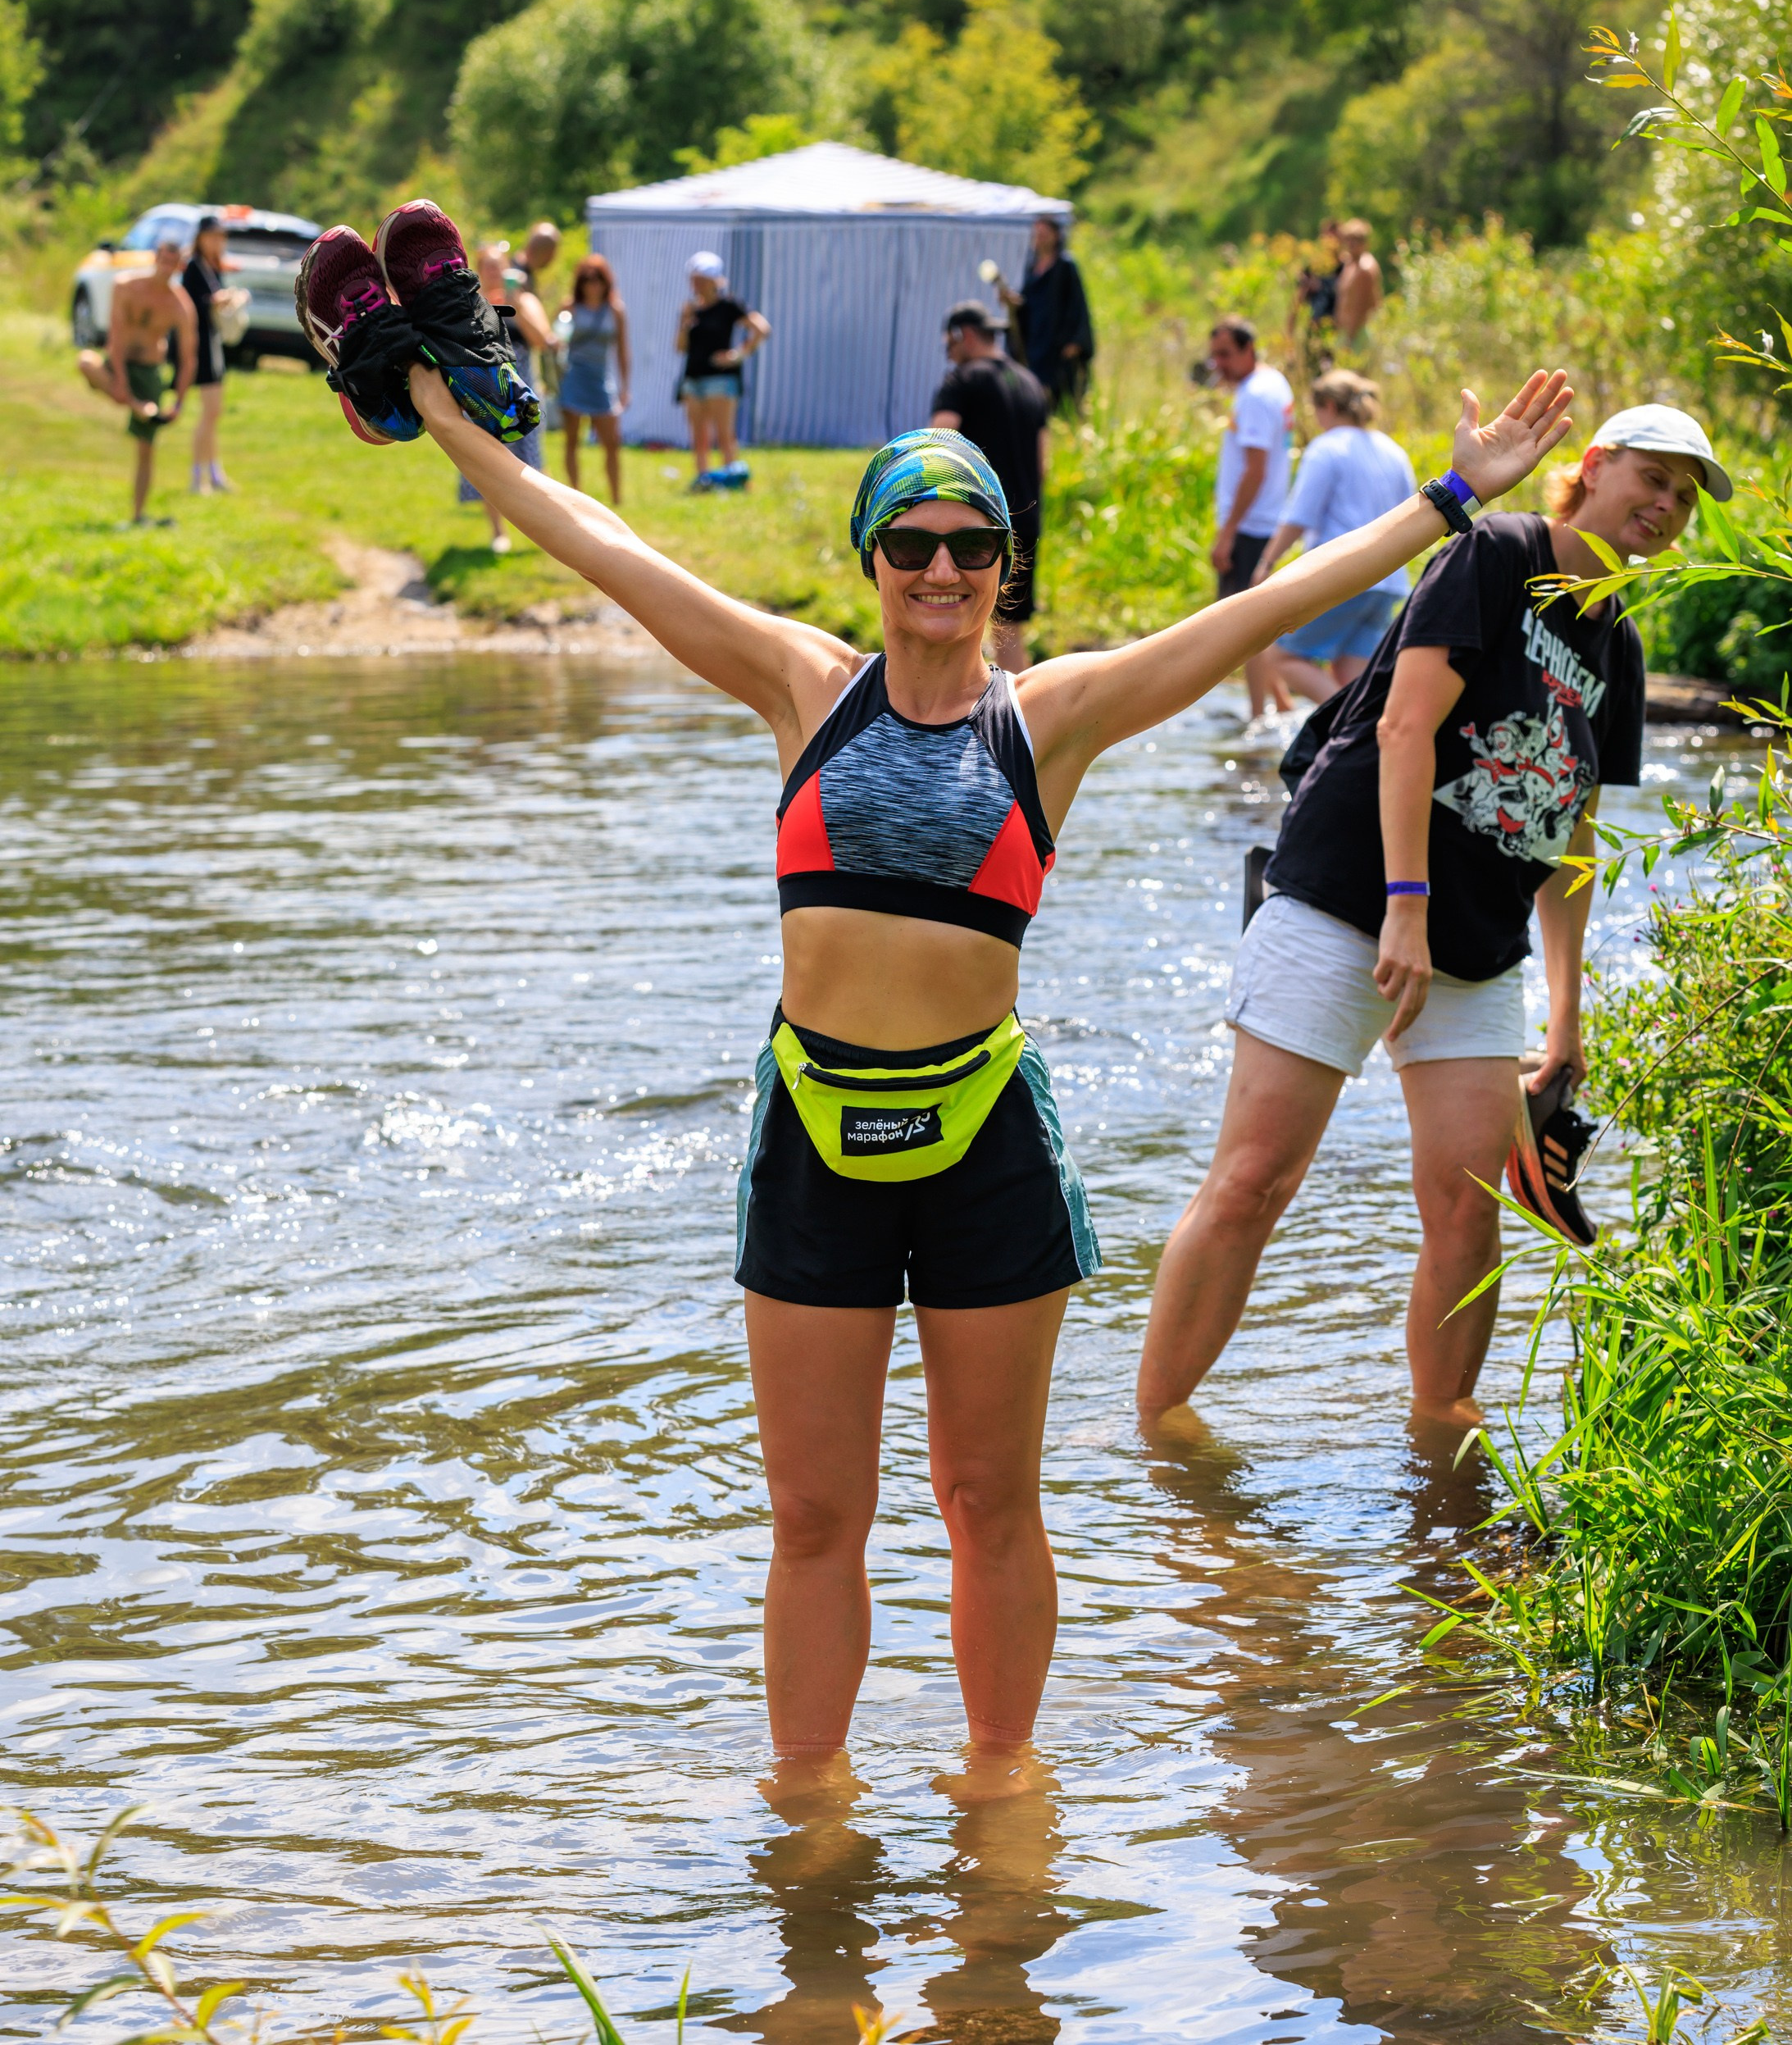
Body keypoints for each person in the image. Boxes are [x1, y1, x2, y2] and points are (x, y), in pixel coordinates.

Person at [298, 198, 1574, 1760]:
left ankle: (997, 1794)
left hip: (983, 1149)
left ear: (1000, 565)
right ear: (873, 559)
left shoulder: (1054, 718)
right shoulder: (799, 684)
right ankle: (811, 1814)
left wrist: (1448, 501)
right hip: (817, 1142)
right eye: (912, 543)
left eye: (973, 546)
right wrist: (446, 425)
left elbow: (1260, 610)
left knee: (988, 1503)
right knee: (819, 1515)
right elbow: (611, 549)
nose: (943, 570)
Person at [1136, 403, 1730, 1439]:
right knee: (1253, 1180)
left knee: (1466, 1212)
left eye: (1684, 496)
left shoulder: (1618, 649)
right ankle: (1156, 1431)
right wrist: (1401, 909)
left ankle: (1438, 1448)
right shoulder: (1494, 554)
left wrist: (1567, 1014)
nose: (1666, 506)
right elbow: (1406, 725)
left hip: (1475, 948)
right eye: (1651, 478)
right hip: (1347, 897)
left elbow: (1571, 836)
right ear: (1590, 470)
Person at [1242, 370, 1417, 714]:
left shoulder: (1327, 448)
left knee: (1280, 655)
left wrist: (1266, 564)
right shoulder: (1393, 451)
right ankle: (1364, 739)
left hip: (1345, 575)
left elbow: (1299, 516)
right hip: (1389, 582)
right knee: (1351, 673)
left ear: (1330, 406)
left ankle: (1348, 726)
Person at [930, 300, 1049, 673]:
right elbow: (1044, 463)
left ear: (962, 335)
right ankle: (1017, 717)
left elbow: (936, 448)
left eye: (948, 343)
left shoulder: (963, 380)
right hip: (1025, 520)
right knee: (1009, 626)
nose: (948, 353)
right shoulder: (1030, 382)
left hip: (976, 522)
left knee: (953, 615)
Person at [77, 235, 198, 525]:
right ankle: (137, 406)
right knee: (84, 362)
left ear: (179, 266)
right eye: (163, 260)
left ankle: (137, 516)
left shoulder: (179, 306)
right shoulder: (126, 286)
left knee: (146, 450)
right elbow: (115, 337)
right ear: (155, 258)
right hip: (117, 362)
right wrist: (119, 381)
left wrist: (179, 402)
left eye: (173, 263)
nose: (166, 267)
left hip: (148, 371)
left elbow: (188, 358)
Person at [457, 241, 553, 553]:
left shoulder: (524, 300)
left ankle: (546, 530)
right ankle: (499, 532)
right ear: (478, 272)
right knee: (489, 462)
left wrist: (517, 302)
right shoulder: (470, 305)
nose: (494, 271)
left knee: (532, 462)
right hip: (484, 391)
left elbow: (541, 340)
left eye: (499, 266)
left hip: (522, 390)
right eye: (488, 267)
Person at [1205, 317, 1293, 612]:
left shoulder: (1256, 395)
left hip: (1249, 528)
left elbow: (1255, 470)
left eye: (1225, 354)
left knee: (1229, 629)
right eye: (1214, 355)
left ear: (1249, 350)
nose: (1218, 364)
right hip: (1262, 521)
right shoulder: (1273, 382)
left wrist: (1228, 532)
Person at [676, 251, 769, 490]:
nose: (696, 284)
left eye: (701, 279)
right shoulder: (690, 309)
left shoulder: (729, 305)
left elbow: (761, 329)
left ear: (713, 280)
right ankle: (703, 480)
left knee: (724, 434)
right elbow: (680, 347)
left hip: (721, 379)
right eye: (694, 278)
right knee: (699, 435)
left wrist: (738, 354)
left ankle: (734, 479)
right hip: (693, 378)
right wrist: (685, 324)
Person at [995, 218, 1094, 413]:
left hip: (1058, 342)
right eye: (1036, 234)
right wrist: (1015, 304)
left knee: (1061, 393)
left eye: (1044, 234)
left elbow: (1077, 303)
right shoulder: (1032, 267)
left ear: (1056, 236)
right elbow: (1030, 304)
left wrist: (1076, 341)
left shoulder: (1065, 265)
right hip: (1036, 339)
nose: (1039, 238)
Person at [557, 253, 630, 504]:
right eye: (588, 279)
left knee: (612, 442)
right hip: (574, 377)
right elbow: (555, 342)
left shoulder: (616, 310)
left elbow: (622, 351)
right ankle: (575, 493)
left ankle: (616, 497)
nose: (593, 284)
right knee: (572, 440)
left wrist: (625, 387)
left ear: (606, 281)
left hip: (601, 379)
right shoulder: (569, 307)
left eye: (598, 279)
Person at [181, 216, 243, 494]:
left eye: (221, 236)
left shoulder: (212, 266)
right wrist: (230, 297)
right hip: (199, 343)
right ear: (201, 237)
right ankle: (198, 477)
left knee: (214, 412)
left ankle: (215, 472)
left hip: (212, 340)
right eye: (212, 236)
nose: (217, 241)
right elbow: (202, 303)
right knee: (209, 412)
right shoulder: (193, 267)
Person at [1334, 218, 1384, 348]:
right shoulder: (1350, 264)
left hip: (1358, 333)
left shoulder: (1365, 268)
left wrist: (1350, 338)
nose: (1351, 243)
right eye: (1348, 239)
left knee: (1354, 367)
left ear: (1365, 242)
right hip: (1346, 331)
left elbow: (1361, 307)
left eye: (1356, 239)